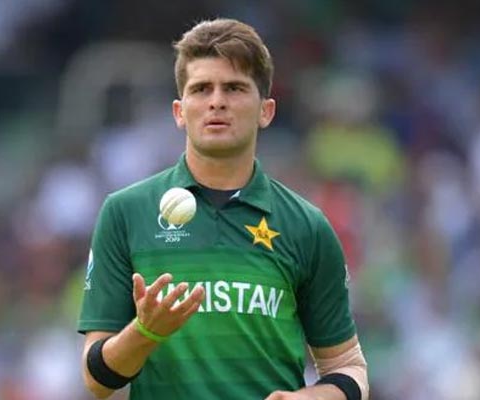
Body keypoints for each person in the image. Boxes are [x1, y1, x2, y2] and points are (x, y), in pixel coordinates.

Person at [77, 18, 369, 400]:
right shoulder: (125, 213)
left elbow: (348, 366)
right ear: (179, 112)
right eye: (201, 89)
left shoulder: (307, 226)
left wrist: (308, 398)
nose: (216, 101)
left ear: (266, 111)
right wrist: (145, 331)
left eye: (234, 88)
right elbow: (96, 380)